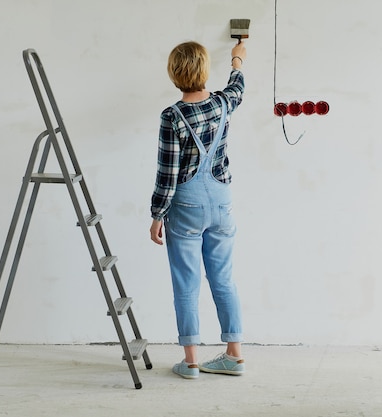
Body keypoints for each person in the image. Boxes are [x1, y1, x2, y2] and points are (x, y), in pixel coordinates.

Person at [149, 40, 247, 379]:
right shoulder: (222, 104)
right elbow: (238, 88)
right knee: (224, 280)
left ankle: (190, 360)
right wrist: (237, 59)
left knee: (186, 283)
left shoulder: (172, 116)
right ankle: (234, 355)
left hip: (186, 208)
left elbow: (168, 173)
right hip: (221, 202)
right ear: (205, 71)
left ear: (174, 74)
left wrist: (157, 214)